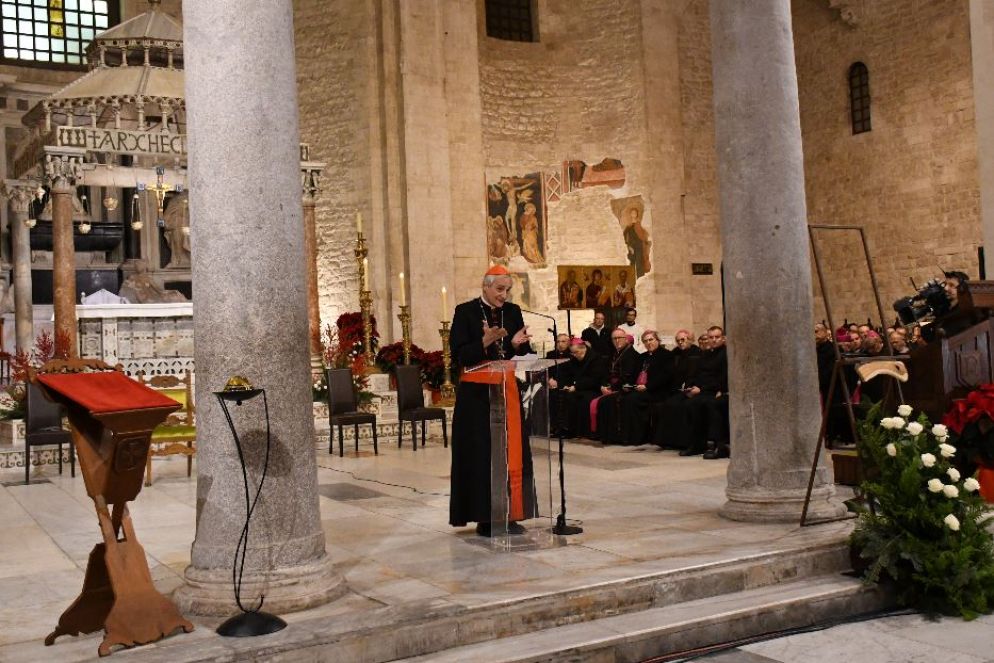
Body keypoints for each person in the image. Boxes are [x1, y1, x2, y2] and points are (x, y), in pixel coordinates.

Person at [449, 265, 535, 537]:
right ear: (485, 286)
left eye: (507, 290)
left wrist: (519, 345)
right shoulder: (465, 312)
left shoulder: (512, 312)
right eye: (499, 289)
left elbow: (515, 351)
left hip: (506, 390)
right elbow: (460, 356)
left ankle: (512, 513)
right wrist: (484, 341)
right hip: (476, 399)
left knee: (511, 452)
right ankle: (485, 517)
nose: (504, 295)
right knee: (482, 454)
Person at [615, 330, 674, 445]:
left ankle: (639, 437)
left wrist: (647, 386)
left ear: (657, 340)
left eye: (651, 340)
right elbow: (633, 374)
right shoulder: (642, 357)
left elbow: (665, 376)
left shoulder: (667, 355)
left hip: (658, 391)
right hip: (640, 390)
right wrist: (628, 384)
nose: (648, 343)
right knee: (625, 398)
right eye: (645, 341)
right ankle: (627, 436)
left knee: (632, 400)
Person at [592, 329, 641, 443]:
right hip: (612, 387)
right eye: (614, 338)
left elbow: (628, 376)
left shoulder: (632, 355)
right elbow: (605, 372)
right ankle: (604, 435)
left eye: (620, 338)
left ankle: (613, 436)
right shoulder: (613, 354)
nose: (617, 341)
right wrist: (603, 386)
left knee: (606, 402)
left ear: (626, 339)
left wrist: (612, 388)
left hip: (624, 388)